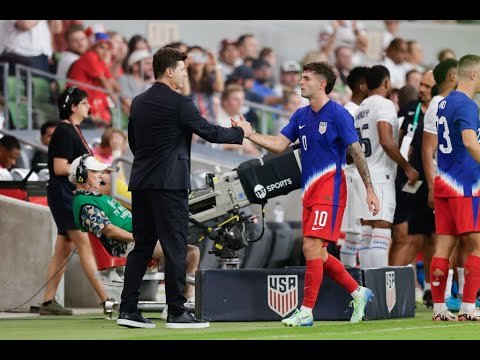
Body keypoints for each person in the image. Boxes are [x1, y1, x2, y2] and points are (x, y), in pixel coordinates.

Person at [232, 61, 380, 326]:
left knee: (310, 246)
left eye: (306, 78)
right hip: (309, 192)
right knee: (319, 254)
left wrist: (370, 190)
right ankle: (358, 292)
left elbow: (356, 152)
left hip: (331, 190)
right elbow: (279, 145)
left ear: (322, 84)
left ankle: (306, 311)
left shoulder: (338, 114)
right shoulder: (301, 116)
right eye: (301, 78)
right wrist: (250, 134)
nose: (300, 82)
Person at [117, 47, 252, 329]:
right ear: (169, 71)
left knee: (142, 247)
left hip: (142, 182)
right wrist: (242, 133)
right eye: (182, 69)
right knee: (176, 246)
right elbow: (210, 132)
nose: (184, 74)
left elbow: (133, 143)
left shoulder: (138, 102)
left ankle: (128, 309)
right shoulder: (181, 103)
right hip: (169, 185)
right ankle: (177, 311)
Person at [68, 155, 199, 302]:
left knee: (193, 252)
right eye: (95, 172)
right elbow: (109, 230)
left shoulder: (97, 196)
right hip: (127, 245)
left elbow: (109, 183)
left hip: (139, 237)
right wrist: (139, 237)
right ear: (81, 175)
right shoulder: (85, 203)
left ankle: (186, 299)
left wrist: (104, 171)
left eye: (101, 173)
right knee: (178, 251)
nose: (101, 176)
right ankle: (175, 303)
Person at [39, 86, 115, 316]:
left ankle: (48, 302)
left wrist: (96, 172)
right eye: (84, 103)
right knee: (84, 244)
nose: (89, 106)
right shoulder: (64, 131)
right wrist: (86, 173)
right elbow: (60, 167)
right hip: (65, 193)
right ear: (73, 107)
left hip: (67, 192)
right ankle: (106, 300)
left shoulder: (74, 130)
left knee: (63, 248)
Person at [430, 54, 480, 321]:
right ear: (473, 74)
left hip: (444, 182)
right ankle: (468, 308)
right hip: (465, 184)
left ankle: (439, 309)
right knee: (477, 246)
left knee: (443, 247)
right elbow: (470, 142)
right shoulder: (468, 105)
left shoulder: (443, 103)